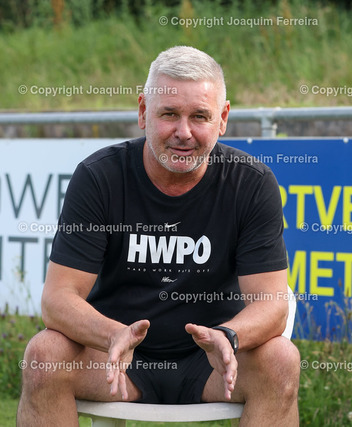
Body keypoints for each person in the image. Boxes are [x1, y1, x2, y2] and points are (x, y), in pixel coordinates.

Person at [17, 46, 300, 426]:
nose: (183, 132)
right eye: (169, 114)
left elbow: (272, 304)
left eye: (199, 116)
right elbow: (58, 299)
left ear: (222, 119)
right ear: (142, 112)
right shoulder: (99, 177)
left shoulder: (252, 183)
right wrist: (111, 334)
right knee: (44, 355)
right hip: (116, 356)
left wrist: (229, 337)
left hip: (213, 362)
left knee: (281, 358)